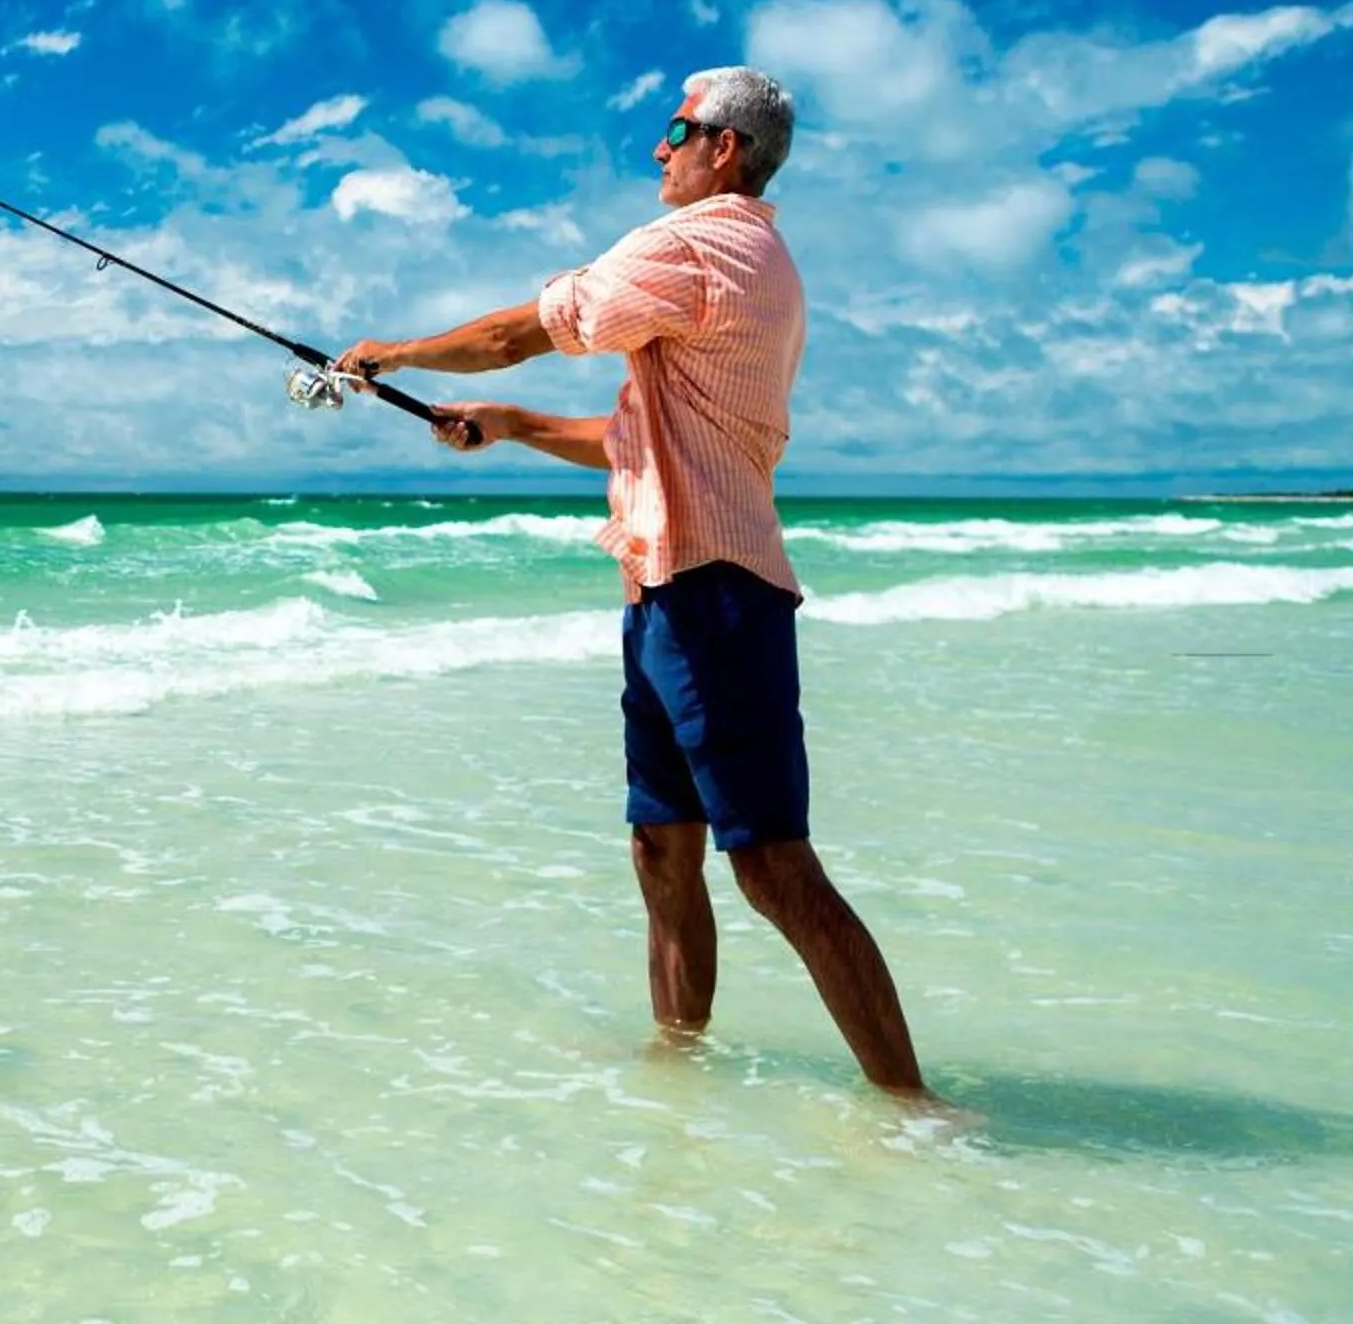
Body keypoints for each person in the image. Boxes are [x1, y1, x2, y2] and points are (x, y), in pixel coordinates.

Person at [335, 66, 930, 1099]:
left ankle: (914, 1105)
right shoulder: (750, 261)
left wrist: (391, 354)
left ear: (725, 147)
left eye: (676, 130)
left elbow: (525, 329)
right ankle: (680, 1067)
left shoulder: (700, 242)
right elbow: (638, 439)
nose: (660, 150)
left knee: (774, 868)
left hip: (716, 596)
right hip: (665, 592)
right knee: (662, 846)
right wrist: (515, 426)